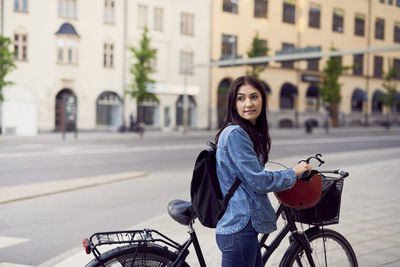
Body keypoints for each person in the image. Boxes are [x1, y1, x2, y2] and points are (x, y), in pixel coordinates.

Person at [214, 76, 311, 267]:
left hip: (241, 228)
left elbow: (250, 173)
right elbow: (260, 181)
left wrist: (277, 175)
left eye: (253, 97)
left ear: (262, 100)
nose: (248, 104)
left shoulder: (248, 132)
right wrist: (294, 172)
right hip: (240, 228)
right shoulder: (236, 134)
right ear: (233, 104)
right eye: (241, 98)